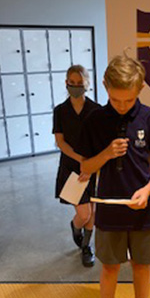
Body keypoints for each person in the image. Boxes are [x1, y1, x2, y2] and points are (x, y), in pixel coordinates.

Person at [78, 54, 150, 298]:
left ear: (141, 88)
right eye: (115, 99)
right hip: (108, 209)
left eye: (128, 99)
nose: (121, 105)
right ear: (105, 87)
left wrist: (147, 189)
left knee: (142, 265)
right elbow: (86, 167)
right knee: (109, 266)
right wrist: (106, 153)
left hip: (144, 208)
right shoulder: (95, 120)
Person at [53, 64, 99, 266]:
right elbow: (60, 142)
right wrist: (82, 160)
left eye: (80, 83)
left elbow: (100, 142)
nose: (75, 86)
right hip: (71, 167)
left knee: (92, 212)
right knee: (84, 213)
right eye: (72, 83)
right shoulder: (60, 111)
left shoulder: (96, 110)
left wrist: (91, 165)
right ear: (66, 83)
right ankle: (75, 226)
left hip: (94, 167)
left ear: (87, 84)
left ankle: (87, 247)